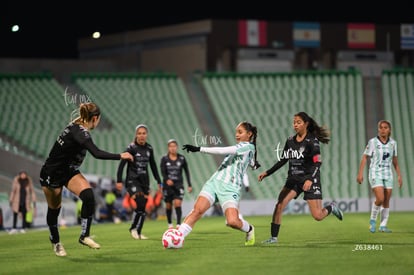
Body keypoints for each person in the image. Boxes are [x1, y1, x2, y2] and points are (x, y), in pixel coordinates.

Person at [39, 102, 133, 256]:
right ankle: (56, 241)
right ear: (95, 118)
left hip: (68, 170)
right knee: (54, 208)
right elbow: (96, 153)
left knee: (88, 196)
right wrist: (121, 155)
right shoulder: (81, 133)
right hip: (52, 173)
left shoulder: (77, 125)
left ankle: (84, 235)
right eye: (99, 119)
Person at [258, 112, 343, 245]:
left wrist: (309, 179)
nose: (295, 125)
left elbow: (317, 163)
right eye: (294, 122)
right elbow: (283, 160)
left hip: (310, 179)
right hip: (293, 179)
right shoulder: (290, 141)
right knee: (279, 204)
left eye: (298, 122)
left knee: (318, 216)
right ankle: (273, 238)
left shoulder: (312, 141)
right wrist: (267, 172)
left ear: (306, 124)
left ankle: (331, 208)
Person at [179, 121, 260, 246]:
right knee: (197, 210)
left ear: (249, 134)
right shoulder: (245, 149)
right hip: (214, 182)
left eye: (240, 132)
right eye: (236, 132)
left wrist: (199, 148)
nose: (237, 135)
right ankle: (178, 237)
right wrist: (254, 164)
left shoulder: (248, 147)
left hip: (230, 188)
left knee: (232, 221)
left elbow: (223, 150)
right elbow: (251, 162)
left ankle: (249, 229)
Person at [116, 124, 162, 240]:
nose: (142, 135)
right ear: (136, 135)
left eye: (144, 133)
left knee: (143, 206)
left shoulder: (149, 148)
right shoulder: (131, 148)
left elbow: (153, 165)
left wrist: (158, 181)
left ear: (147, 135)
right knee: (140, 202)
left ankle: (139, 232)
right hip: (132, 180)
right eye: (139, 133)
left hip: (144, 181)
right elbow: (122, 165)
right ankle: (133, 228)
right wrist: (119, 180)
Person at [356, 120, 403, 233]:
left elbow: (395, 161)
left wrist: (399, 175)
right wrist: (360, 173)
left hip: (388, 173)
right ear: (378, 129)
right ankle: (372, 221)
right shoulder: (373, 142)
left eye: (385, 127)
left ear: (389, 130)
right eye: (381, 127)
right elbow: (365, 157)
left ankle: (383, 225)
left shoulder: (393, 143)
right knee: (380, 198)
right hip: (375, 172)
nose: (383, 129)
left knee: (386, 200)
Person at [160, 139, 193, 229]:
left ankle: (178, 224)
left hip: (178, 185)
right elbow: (162, 172)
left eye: (174, 146)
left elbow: (186, 172)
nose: (173, 148)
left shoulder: (181, 158)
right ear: (168, 148)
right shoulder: (164, 159)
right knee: (168, 205)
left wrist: (189, 185)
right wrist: (167, 179)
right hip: (167, 186)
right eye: (171, 146)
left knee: (178, 203)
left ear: (177, 147)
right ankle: (170, 224)